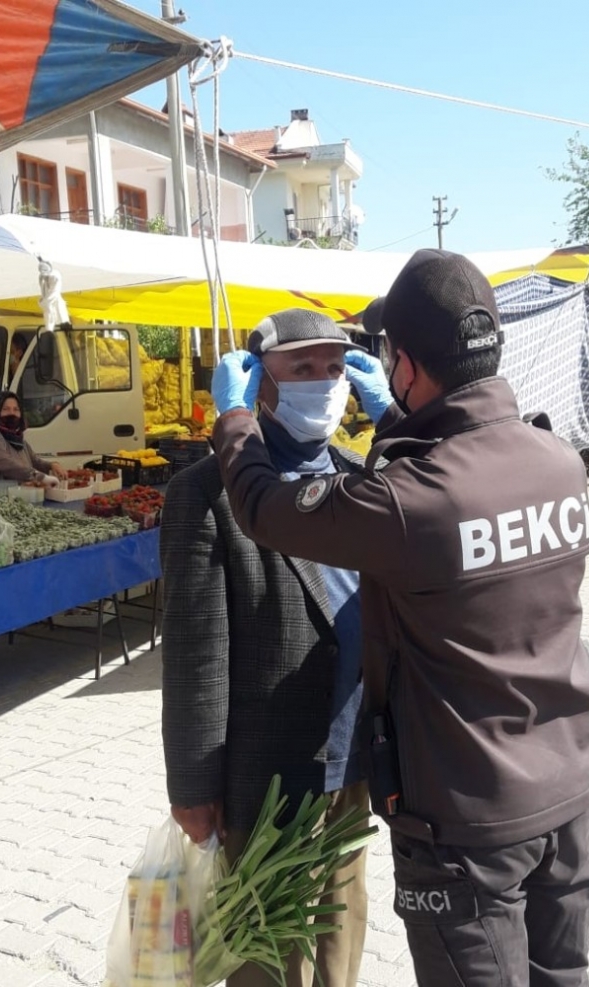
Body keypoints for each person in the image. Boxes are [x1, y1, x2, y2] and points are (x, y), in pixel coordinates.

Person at [209, 249, 589, 987]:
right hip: (569, 794)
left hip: (467, 825)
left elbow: (264, 507)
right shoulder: (559, 461)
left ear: (408, 366)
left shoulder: (407, 499)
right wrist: (395, 415)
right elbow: (462, 489)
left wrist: (235, 418)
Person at [160, 310, 370, 987]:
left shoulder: (360, 475)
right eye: (303, 367)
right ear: (259, 380)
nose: (325, 382)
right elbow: (195, 653)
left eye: (334, 367)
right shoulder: (207, 494)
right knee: (268, 959)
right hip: (267, 777)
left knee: (340, 933)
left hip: (350, 762)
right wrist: (193, 785)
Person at [0, 391, 67, 490]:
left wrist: (52, 466)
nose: (12, 413)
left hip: (14, 500)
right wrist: (40, 477)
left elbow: (35, 462)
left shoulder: (19, 441)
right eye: (6, 409)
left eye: (16, 409)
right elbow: (9, 466)